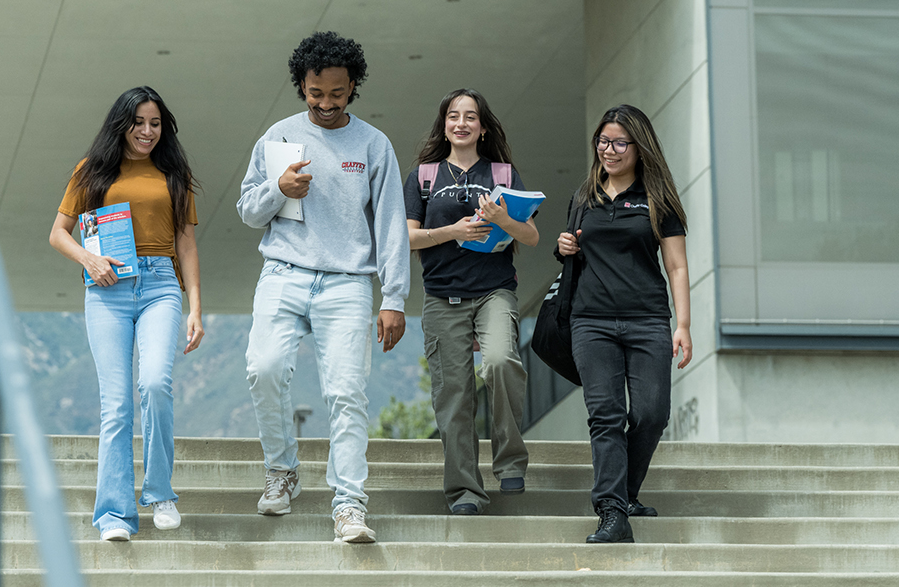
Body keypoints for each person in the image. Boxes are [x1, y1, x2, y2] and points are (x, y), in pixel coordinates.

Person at [236, 31, 409, 544]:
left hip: (348, 282)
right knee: (262, 368)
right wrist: (278, 189)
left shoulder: (374, 145)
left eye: (336, 93)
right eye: (316, 93)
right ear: (302, 86)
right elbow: (248, 210)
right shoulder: (277, 136)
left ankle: (349, 504)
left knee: (346, 393)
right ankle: (282, 470)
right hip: (283, 273)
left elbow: (392, 226)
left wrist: (393, 298)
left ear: (352, 86)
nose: (326, 103)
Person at [47, 86, 204, 542]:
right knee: (116, 404)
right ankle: (114, 515)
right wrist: (88, 260)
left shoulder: (174, 173)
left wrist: (196, 306)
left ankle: (160, 492)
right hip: (106, 289)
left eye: (155, 124)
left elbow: (187, 243)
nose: (148, 132)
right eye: (139, 123)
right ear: (122, 124)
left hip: (160, 285)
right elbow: (58, 233)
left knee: (155, 383)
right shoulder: (91, 171)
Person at [553, 104, 694, 544]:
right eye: (603, 141)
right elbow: (573, 253)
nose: (608, 150)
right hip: (590, 321)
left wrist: (683, 324)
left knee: (651, 413)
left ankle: (626, 492)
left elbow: (677, 268)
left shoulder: (659, 200)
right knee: (606, 416)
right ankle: (612, 512)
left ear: (639, 146)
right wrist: (564, 247)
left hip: (648, 319)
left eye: (618, 143)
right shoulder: (583, 198)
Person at [403, 89, 536, 515]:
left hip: (494, 290)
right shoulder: (424, 177)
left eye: (471, 117)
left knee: (500, 361)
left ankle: (510, 460)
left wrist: (503, 220)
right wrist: (452, 232)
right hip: (442, 297)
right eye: (453, 116)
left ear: (482, 126)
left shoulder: (502, 172)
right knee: (454, 395)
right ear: (444, 124)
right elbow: (405, 238)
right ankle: (464, 491)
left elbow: (531, 236)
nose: (461, 123)